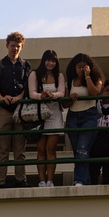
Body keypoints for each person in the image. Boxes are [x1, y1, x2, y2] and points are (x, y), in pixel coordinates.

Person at [0, 32, 31, 187]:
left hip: (20, 110)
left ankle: (21, 179)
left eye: (18, 46)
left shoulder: (26, 65)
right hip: (3, 109)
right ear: (7, 45)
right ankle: (1, 182)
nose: (15, 48)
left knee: (20, 150)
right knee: (3, 149)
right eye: (13, 45)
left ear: (22, 47)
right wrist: (2, 98)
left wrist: (20, 97)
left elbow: (27, 86)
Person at [27, 50, 66, 188]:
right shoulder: (34, 74)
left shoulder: (59, 75)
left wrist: (52, 95)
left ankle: (50, 180)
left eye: (53, 61)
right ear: (43, 61)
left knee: (51, 149)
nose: (50, 63)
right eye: (48, 60)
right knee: (41, 149)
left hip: (54, 113)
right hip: (39, 115)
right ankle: (41, 181)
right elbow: (31, 93)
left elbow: (62, 92)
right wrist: (40, 96)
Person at [64, 54, 104, 186]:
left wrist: (87, 76)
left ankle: (79, 180)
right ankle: (85, 181)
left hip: (89, 116)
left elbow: (95, 93)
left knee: (82, 151)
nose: (81, 69)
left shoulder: (96, 79)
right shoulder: (70, 81)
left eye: (84, 67)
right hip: (73, 117)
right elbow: (64, 105)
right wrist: (70, 98)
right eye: (79, 67)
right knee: (79, 152)